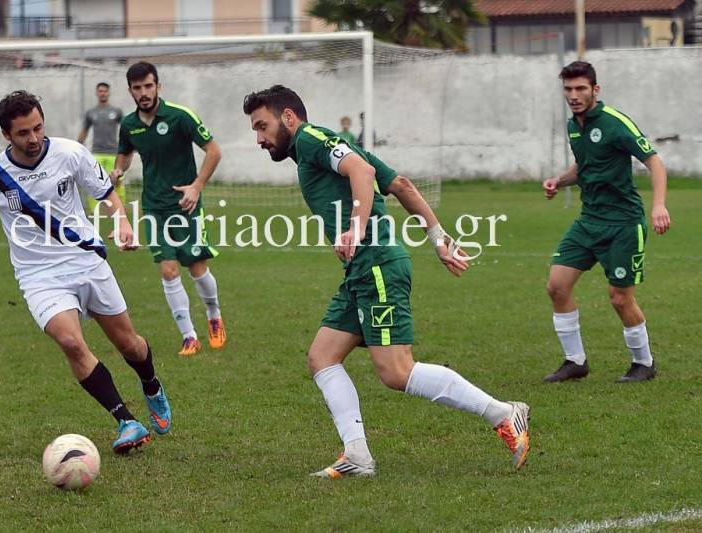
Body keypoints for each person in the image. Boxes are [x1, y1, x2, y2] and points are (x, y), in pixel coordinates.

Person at [243, 85, 531, 477]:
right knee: (322, 357)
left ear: (288, 117)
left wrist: (356, 227)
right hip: (362, 271)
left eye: (262, 126)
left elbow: (361, 172)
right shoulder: (328, 144)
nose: (259, 138)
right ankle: (357, 456)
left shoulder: (311, 139)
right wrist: (438, 239)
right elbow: (400, 184)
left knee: (396, 371)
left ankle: (503, 413)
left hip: (377, 265)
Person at [0, 90, 172, 454]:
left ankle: (150, 384)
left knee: (130, 345)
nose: (34, 138)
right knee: (71, 342)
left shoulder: (70, 153)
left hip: (85, 259)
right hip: (38, 275)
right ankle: (127, 421)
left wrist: (122, 223)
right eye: (24, 132)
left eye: (38, 128)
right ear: (6, 135)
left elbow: (106, 191)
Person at [542, 61, 670, 383]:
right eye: (568, 89)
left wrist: (658, 206)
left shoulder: (614, 123)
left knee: (619, 297)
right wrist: (560, 180)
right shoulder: (574, 125)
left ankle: (644, 363)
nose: (574, 95)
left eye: (581, 88)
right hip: (589, 221)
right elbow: (584, 165)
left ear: (595, 90)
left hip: (623, 224)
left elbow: (654, 161)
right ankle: (575, 362)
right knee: (557, 287)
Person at [112, 61, 226, 357]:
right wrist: (117, 171)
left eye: (148, 86)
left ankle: (214, 316)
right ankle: (189, 336)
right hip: (154, 206)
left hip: (186, 205)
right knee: (168, 269)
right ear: (130, 91)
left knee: (197, 268)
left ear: (158, 86)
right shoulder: (129, 125)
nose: (143, 93)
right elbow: (124, 156)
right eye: (137, 88)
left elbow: (213, 151)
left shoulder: (180, 117)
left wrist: (197, 186)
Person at [77, 82, 124, 213]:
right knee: (95, 182)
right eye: (100, 91)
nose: (102, 93)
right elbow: (84, 130)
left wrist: (127, 146)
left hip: (113, 154)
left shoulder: (116, 112)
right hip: (97, 153)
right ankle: (95, 211)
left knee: (117, 181)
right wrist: (78, 145)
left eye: (105, 91)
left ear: (108, 93)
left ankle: (120, 209)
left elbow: (125, 129)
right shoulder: (91, 113)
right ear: (97, 93)